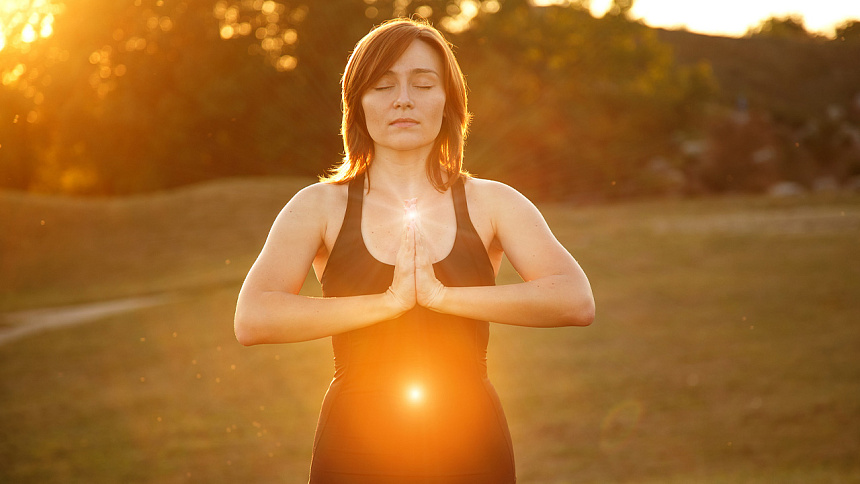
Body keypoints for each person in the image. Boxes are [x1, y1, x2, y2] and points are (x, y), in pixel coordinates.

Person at [234, 17, 595, 484]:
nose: (403, 99)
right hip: (353, 443)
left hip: (470, 440)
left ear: (448, 101)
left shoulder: (492, 202)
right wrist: (388, 303)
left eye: (423, 84)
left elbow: (574, 300)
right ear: (357, 104)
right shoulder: (319, 206)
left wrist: (442, 297)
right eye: (383, 85)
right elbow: (253, 318)